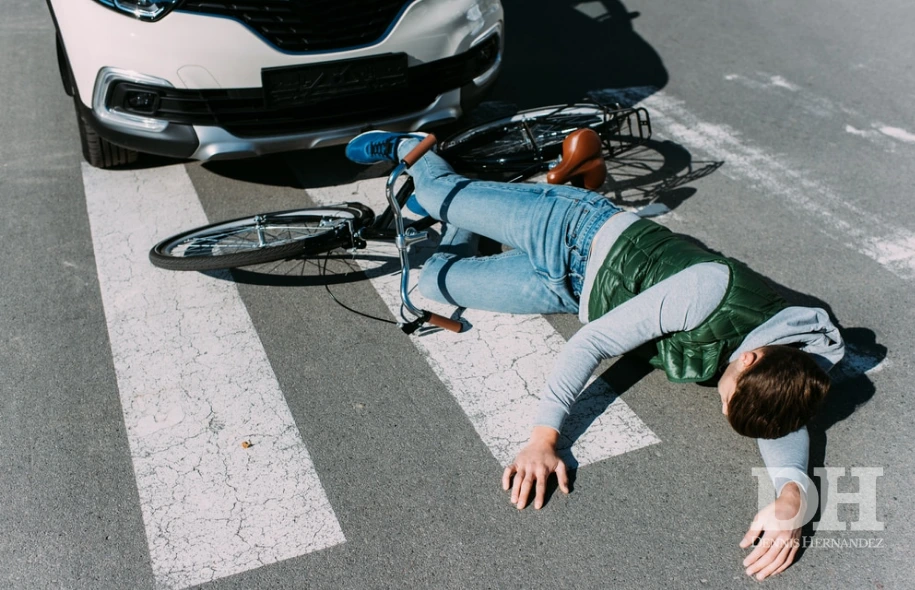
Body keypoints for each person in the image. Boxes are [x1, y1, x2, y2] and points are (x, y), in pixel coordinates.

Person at [345, 130, 845, 580]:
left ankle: (511, 196)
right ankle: (416, 146)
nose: (721, 405)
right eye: (729, 395)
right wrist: (543, 439)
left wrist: (792, 496)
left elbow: (784, 423)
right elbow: (593, 343)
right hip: (571, 229)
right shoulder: (708, 291)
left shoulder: (800, 367)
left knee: (434, 279)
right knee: (434, 194)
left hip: (569, 292)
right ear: (753, 357)